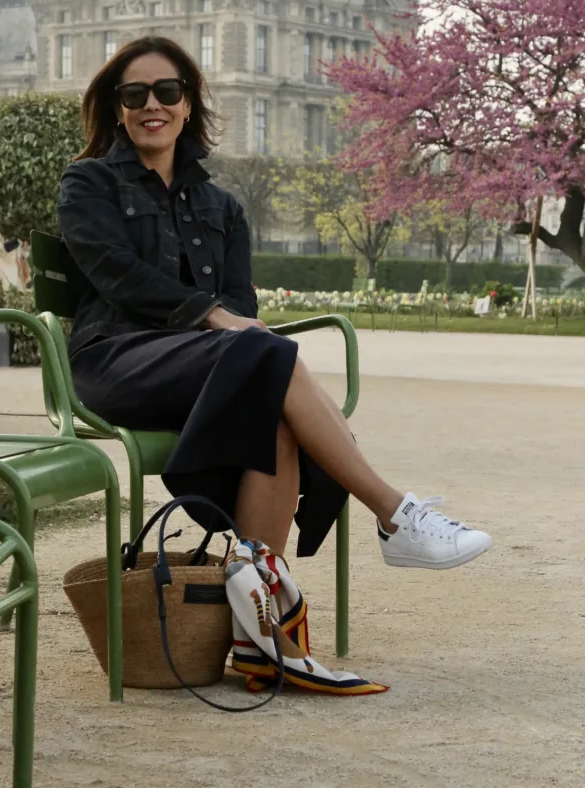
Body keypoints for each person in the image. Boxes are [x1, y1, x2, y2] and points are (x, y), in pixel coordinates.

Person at [58, 36, 492, 567]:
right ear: (117, 109)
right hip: (115, 361)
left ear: (188, 102)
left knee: (273, 408)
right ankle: (393, 513)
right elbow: (117, 275)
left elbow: (241, 297)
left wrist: (229, 322)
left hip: (204, 371)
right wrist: (214, 316)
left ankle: (260, 619)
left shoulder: (223, 206)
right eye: (135, 95)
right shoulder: (87, 182)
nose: (153, 104)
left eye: (167, 91)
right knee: (262, 354)